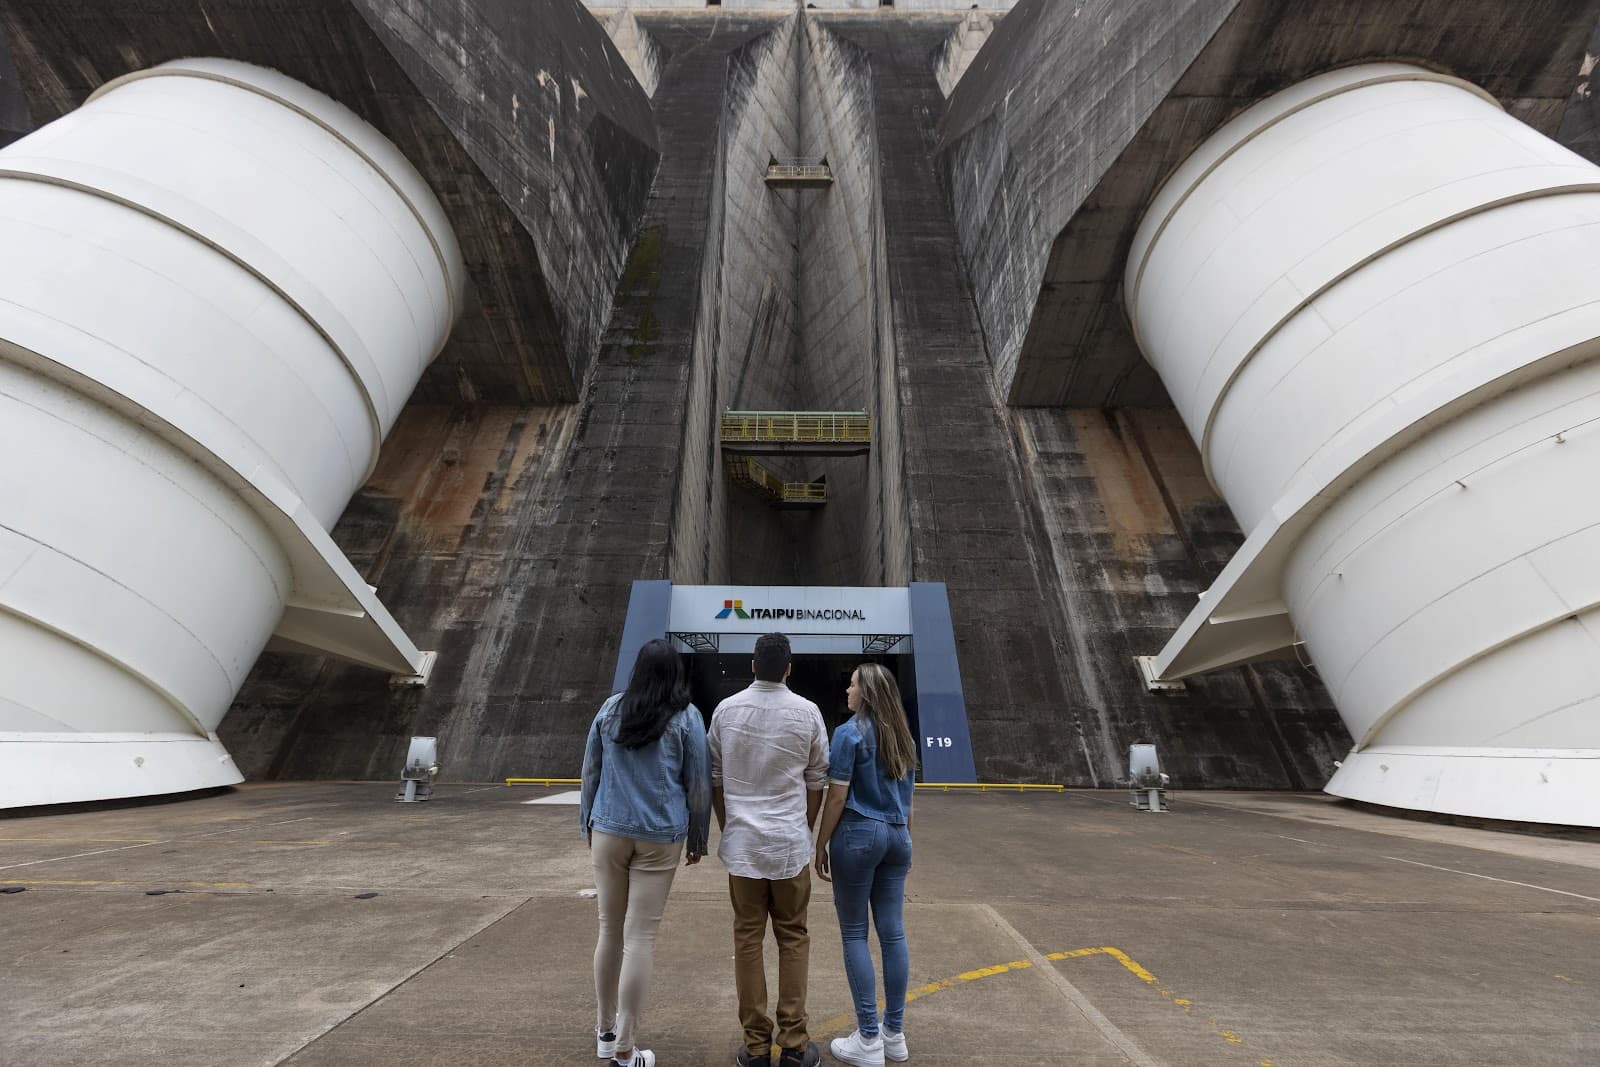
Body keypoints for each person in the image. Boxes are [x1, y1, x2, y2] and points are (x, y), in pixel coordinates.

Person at [580, 638, 712, 1067]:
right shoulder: (687, 717)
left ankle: (605, 1032)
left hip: (609, 830)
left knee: (608, 930)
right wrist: (697, 837)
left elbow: (591, 772)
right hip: (660, 835)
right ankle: (626, 1046)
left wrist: (588, 823)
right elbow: (698, 782)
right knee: (640, 938)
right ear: (676, 674)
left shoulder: (610, 709)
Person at [709, 632, 829, 1067]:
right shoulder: (808, 713)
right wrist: (804, 827)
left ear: (753, 665)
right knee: (793, 936)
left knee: (748, 939)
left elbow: (716, 780)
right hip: (788, 846)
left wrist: (730, 828)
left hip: (743, 848)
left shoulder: (725, 710)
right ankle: (794, 1044)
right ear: (789, 668)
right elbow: (817, 781)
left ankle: (756, 1047)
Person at [813, 664, 917, 1067]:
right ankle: (894, 1034)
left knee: (855, 934)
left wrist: (820, 844)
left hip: (859, 834)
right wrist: (907, 842)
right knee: (893, 934)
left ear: (867, 693)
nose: (848, 688)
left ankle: (868, 1039)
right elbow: (908, 801)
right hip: (897, 836)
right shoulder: (903, 736)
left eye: (854, 684)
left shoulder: (849, 733)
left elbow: (836, 798)